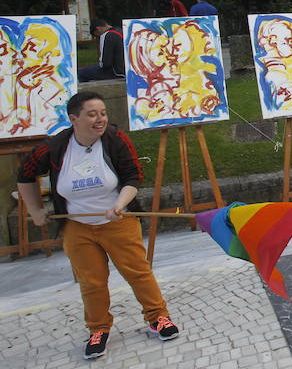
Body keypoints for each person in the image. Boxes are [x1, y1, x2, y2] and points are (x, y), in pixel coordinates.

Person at [17, 92, 179, 359]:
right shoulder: (55, 147)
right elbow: (25, 174)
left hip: (118, 222)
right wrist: (35, 210)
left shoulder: (115, 140)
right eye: (92, 114)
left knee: (138, 272)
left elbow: (133, 177)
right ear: (74, 119)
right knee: (91, 282)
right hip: (77, 227)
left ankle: (158, 317)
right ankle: (98, 328)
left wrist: (119, 205)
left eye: (103, 113)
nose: (100, 119)